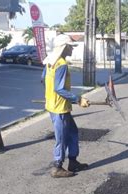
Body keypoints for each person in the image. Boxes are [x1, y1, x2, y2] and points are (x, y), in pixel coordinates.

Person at [42, 34, 90, 178]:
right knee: (62, 138)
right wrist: (77, 99)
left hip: (53, 105)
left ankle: (73, 161)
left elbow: (43, 79)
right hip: (59, 108)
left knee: (73, 133)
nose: (72, 49)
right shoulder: (61, 64)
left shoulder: (50, 61)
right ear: (64, 47)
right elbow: (59, 89)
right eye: (71, 46)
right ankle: (57, 167)